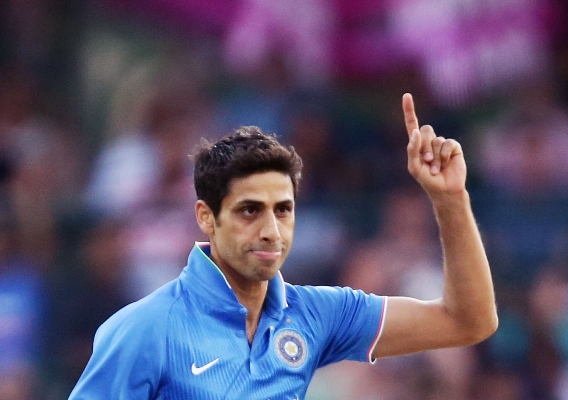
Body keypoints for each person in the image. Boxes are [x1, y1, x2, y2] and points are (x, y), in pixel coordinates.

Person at [68, 93, 498, 399]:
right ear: (206, 217)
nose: (272, 230)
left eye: (284, 210)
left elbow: (468, 322)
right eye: (250, 211)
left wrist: (450, 199)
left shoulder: (317, 314)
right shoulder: (145, 329)